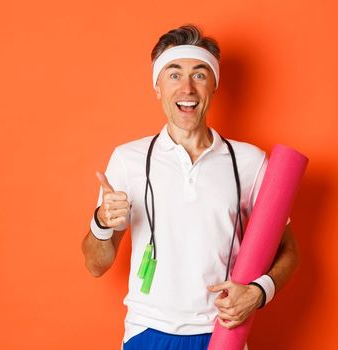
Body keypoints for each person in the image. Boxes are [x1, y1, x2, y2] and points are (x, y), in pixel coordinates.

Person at [80, 24, 300, 350]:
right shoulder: (128, 159)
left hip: (223, 334)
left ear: (214, 86)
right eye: (173, 74)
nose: (187, 88)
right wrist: (101, 222)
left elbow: (289, 251)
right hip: (147, 333)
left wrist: (257, 293)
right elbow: (96, 265)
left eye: (199, 75)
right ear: (157, 86)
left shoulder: (250, 162)